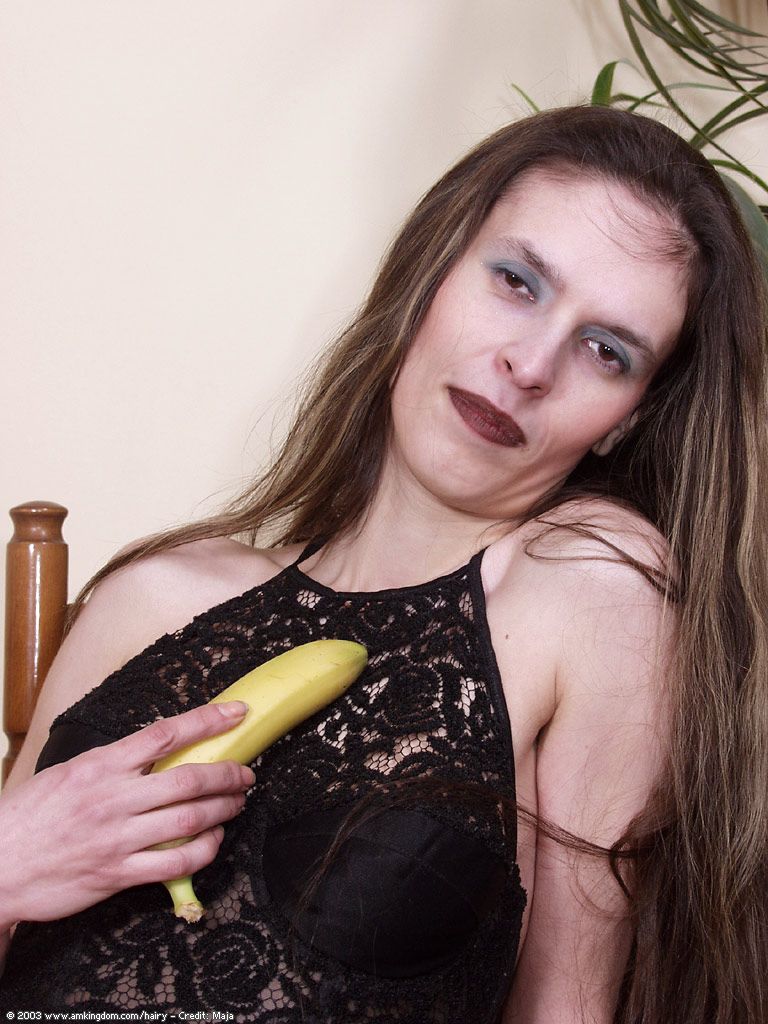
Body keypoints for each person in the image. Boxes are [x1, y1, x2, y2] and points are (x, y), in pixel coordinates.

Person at [0, 105, 766, 1023]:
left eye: (606, 351)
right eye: (517, 282)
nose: (531, 364)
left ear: (630, 418)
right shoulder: (149, 597)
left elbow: (567, 1005)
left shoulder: (590, 593)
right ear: (430, 272)